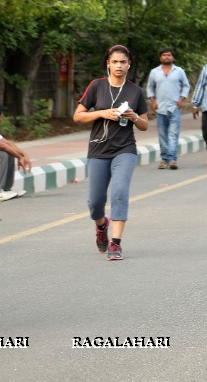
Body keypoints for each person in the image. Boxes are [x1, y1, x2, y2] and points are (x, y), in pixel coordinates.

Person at [74, 44, 149, 261]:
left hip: (125, 149)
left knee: (119, 192)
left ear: (129, 65)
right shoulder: (96, 86)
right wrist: (102, 113)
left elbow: (144, 125)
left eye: (123, 62)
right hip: (98, 149)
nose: (118, 66)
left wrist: (134, 117)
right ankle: (101, 225)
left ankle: (115, 244)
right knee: (94, 202)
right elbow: (78, 116)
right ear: (108, 63)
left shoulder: (135, 91)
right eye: (114, 61)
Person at [146, 46, 190, 170]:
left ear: (173, 57)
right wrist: (153, 101)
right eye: (164, 55)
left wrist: (181, 99)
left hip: (174, 107)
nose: (167, 57)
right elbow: (150, 87)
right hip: (160, 108)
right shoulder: (154, 72)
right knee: (162, 134)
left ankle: (172, 159)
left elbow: (186, 86)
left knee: (173, 134)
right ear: (160, 57)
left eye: (169, 55)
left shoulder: (179, 71)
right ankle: (164, 159)